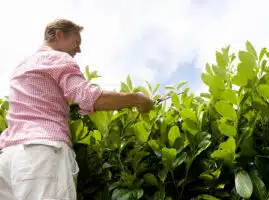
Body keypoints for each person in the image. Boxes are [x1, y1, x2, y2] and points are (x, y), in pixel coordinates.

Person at [0, 19, 154, 200]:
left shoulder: (22, 66)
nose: (78, 49)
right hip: (42, 152)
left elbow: (43, 98)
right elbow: (90, 97)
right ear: (59, 35)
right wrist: (137, 99)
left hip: (7, 159)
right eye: (76, 42)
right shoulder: (57, 58)